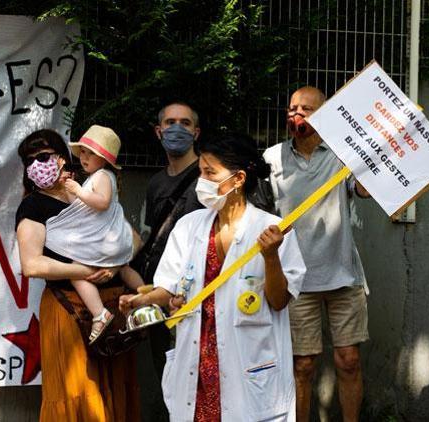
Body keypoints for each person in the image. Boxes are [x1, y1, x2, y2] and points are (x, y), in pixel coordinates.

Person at [119, 132, 306, 421]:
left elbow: (279, 301)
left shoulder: (272, 230)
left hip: (247, 361)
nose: (201, 181)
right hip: (198, 359)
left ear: (239, 179)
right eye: (200, 172)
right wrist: (139, 300)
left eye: (210, 172)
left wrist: (270, 257)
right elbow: (167, 290)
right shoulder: (188, 226)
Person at [15, 129, 139, 421]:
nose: (37, 164)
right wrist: (85, 270)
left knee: (116, 391)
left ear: (63, 157)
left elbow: (133, 238)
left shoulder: (91, 192)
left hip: (115, 307)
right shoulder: (32, 207)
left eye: (43, 156)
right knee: (79, 392)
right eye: (29, 160)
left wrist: (117, 262)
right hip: (68, 309)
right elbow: (32, 265)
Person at [263, 86, 370, 422]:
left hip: (343, 275)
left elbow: (364, 190)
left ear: (324, 115)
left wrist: (375, 163)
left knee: (349, 360)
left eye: (307, 109)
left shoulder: (343, 154)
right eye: (293, 107)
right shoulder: (271, 158)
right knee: (302, 366)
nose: (297, 114)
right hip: (296, 279)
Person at [42, 124, 143, 344]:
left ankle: (99, 313)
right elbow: (82, 206)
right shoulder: (97, 177)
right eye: (83, 152)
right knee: (124, 267)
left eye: (91, 153)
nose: (84, 157)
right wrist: (71, 191)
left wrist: (78, 190)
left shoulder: (103, 176)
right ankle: (145, 293)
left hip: (105, 238)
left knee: (75, 269)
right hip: (113, 239)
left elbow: (102, 202)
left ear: (105, 159)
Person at [136, 102, 203, 384]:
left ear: (196, 132)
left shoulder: (208, 177)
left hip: (198, 293)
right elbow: (150, 237)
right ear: (158, 130)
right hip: (161, 293)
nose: (177, 129)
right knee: (166, 373)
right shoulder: (155, 184)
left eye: (185, 123)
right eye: (170, 122)